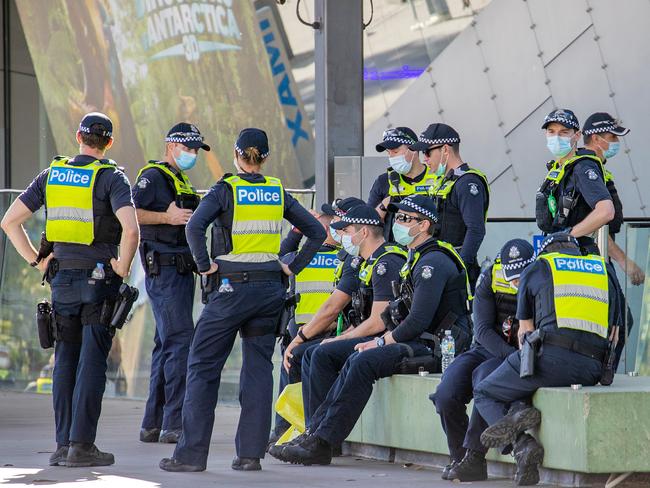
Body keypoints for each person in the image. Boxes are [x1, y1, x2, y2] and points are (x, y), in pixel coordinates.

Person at [159, 128, 325, 473]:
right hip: (269, 289)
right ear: (264, 157)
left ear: (236, 155)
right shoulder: (276, 189)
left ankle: (189, 456)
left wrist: (205, 266)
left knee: (203, 366)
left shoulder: (226, 189)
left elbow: (193, 228)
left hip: (230, 288)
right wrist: (290, 265)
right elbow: (317, 232)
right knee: (258, 369)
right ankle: (250, 455)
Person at [279, 195, 473, 466]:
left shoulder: (433, 263)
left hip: (437, 345)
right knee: (343, 355)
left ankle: (322, 441)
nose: (399, 223)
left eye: (407, 219)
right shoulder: (415, 258)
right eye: (399, 217)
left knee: (363, 360)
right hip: (417, 339)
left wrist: (380, 342)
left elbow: (417, 321)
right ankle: (316, 435)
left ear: (424, 225)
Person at [0, 112, 139, 467]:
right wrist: (122, 266)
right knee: (92, 362)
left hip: (61, 281)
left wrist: (37, 260)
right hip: (99, 281)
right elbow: (131, 229)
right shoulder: (111, 177)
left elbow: (9, 221)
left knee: (64, 361)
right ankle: (82, 445)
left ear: (78, 136)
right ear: (108, 142)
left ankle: (63, 445)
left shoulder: (52, 174)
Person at [474, 233, 621, 486]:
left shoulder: (539, 267)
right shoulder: (604, 270)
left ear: (546, 252)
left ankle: (522, 443)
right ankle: (519, 420)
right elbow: (616, 333)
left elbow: (525, 334)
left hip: (549, 360)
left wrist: (522, 371)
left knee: (485, 392)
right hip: (593, 369)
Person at [270, 204, 407, 463]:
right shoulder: (366, 262)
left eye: (345, 230)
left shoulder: (385, 262)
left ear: (363, 232)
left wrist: (339, 338)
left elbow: (379, 321)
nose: (341, 235)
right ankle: (311, 432)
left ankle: (320, 438)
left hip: (390, 338)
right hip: (372, 334)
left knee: (320, 353)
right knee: (310, 354)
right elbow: (363, 318)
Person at [432, 239, 535, 482]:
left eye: (521, 276)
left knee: (484, 381)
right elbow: (483, 330)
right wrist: (512, 357)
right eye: (512, 276)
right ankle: (461, 458)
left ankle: (474, 458)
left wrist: (517, 359)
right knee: (446, 393)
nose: (516, 282)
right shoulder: (491, 276)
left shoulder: (542, 279)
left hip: (521, 355)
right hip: (491, 348)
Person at [134, 123, 209, 444]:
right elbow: (129, 212)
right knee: (180, 342)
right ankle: (173, 423)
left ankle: (153, 423)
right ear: (170, 146)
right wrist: (167, 218)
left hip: (178, 271)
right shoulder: (152, 176)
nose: (192, 154)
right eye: (187, 148)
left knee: (166, 345)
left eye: (195, 150)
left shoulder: (179, 178)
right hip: (163, 269)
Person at [271, 197, 365, 443]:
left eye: (337, 221)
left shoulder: (349, 260)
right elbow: (279, 259)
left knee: (306, 378)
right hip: (301, 327)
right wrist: (297, 229)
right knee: (290, 379)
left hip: (330, 330)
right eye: (330, 220)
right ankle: (283, 429)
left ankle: (306, 432)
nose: (333, 225)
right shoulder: (306, 253)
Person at [582, 112, 644, 367]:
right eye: (611, 137)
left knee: (616, 321)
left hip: (598, 260)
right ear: (596, 138)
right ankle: (598, 375)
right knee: (616, 320)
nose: (615, 142)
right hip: (591, 260)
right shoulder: (586, 169)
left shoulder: (595, 169)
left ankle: (598, 374)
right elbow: (595, 227)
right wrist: (625, 262)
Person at [409, 123, 489, 288]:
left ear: (445, 149)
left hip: (453, 270)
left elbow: (476, 230)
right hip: (438, 264)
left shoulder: (467, 182)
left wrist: (459, 269)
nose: (425, 159)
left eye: (427, 152)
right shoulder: (443, 181)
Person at [535, 109, 615, 255]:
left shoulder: (582, 167)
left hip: (579, 254)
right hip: (559, 251)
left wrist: (568, 236)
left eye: (564, 132)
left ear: (577, 135)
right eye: (551, 131)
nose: (556, 137)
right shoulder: (558, 168)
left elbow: (606, 211)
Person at [368, 127, 439, 239]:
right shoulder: (384, 181)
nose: (391, 156)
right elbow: (369, 224)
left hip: (430, 248)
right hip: (394, 252)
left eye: (395, 151)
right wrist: (384, 206)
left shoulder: (437, 178)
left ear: (414, 150)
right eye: (388, 153)